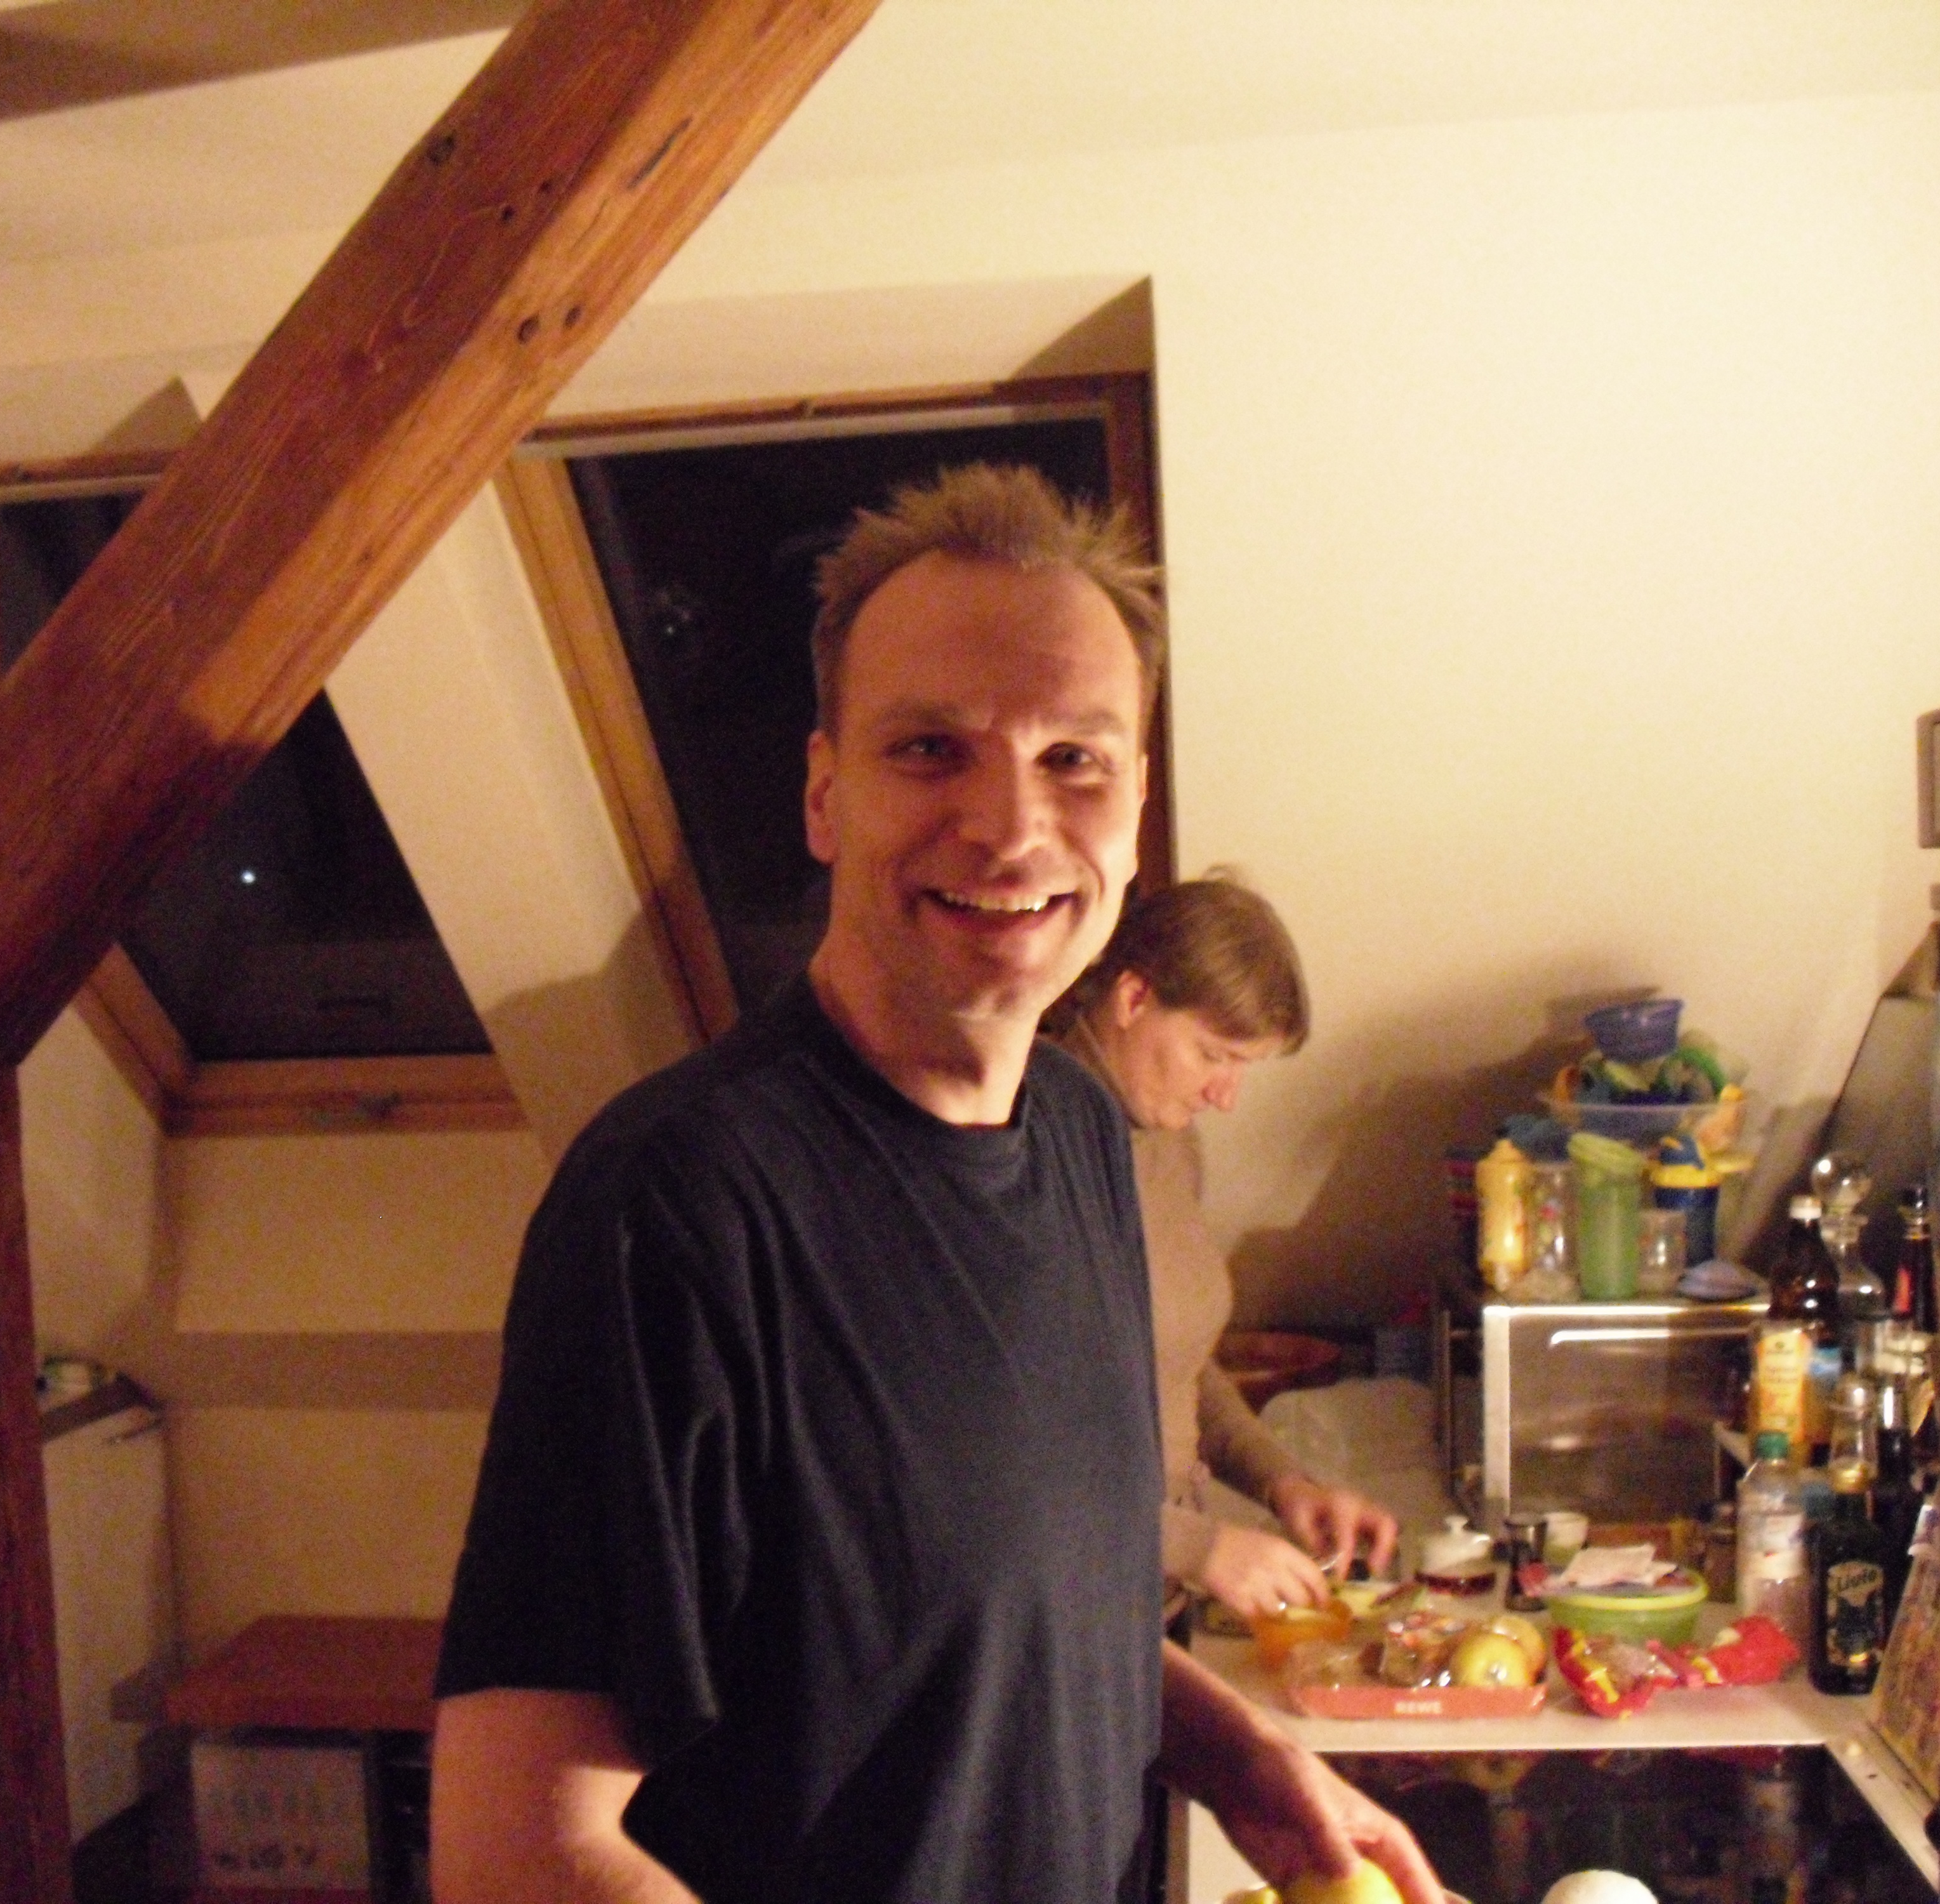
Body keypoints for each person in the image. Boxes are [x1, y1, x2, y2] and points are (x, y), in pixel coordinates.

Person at [429, 465, 1442, 1904]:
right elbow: (516, 1852)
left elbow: (1032, 1609)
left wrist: (1243, 1756)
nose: (1012, 827)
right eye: (929, 750)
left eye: (1074, 759)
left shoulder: (1086, 1138)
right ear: (824, 793)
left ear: (1135, 807)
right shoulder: (674, 1208)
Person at [1056, 876, 1402, 1620]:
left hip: (1151, 1594)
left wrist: (1284, 1484)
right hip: (1061, 1609)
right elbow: (992, 1451)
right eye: (1213, 1055)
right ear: (1133, 998)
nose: (1226, 1095)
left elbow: (1175, 1362)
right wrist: (1197, 1547)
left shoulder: (1166, 1143)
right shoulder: (1026, 1146)